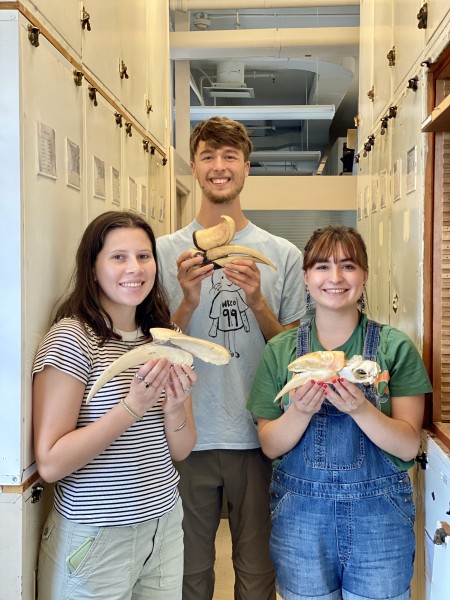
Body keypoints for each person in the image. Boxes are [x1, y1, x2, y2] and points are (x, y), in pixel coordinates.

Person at [157, 116, 305, 600]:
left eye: (229, 157)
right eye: (208, 156)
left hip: (259, 436)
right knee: (189, 575)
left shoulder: (282, 255)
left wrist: (259, 302)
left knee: (259, 573)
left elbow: (296, 356)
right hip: (183, 437)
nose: (219, 167)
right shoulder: (162, 254)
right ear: (194, 168)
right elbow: (151, 349)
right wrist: (188, 301)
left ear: (246, 167)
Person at [247, 225, 432, 600]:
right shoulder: (281, 351)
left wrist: (362, 409)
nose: (335, 278)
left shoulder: (395, 348)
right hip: (301, 519)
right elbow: (269, 445)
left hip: (380, 519)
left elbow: (409, 444)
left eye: (348, 266)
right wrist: (299, 412)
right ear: (305, 277)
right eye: (321, 267)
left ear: (364, 276)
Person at [32, 210, 197, 600]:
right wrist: (131, 407)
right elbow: (51, 463)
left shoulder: (164, 336)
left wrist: (175, 406)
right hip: (96, 538)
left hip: (163, 527)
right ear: (92, 268)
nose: (134, 269)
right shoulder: (72, 339)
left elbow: (183, 448)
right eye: (118, 257)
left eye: (143, 256)